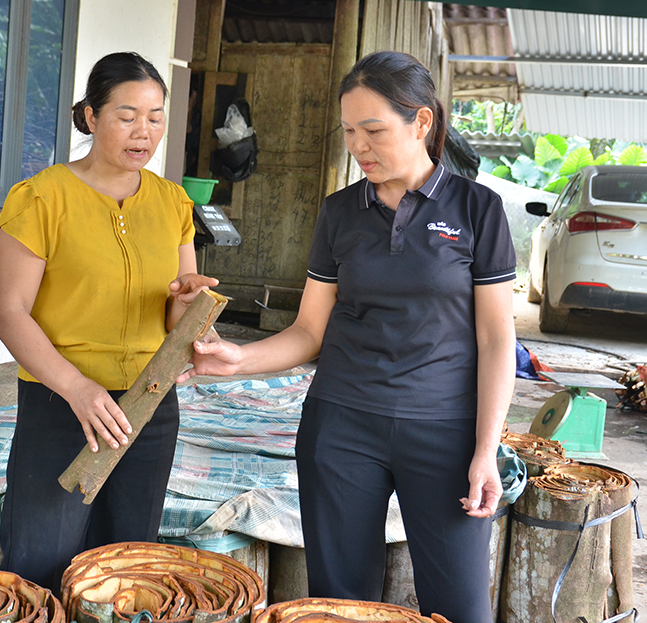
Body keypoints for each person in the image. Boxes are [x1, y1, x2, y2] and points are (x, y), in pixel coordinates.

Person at [178, 50, 516, 623]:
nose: (359, 146)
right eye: (350, 132)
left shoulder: (477, 209)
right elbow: (310, 331)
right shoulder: (339, 213)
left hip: (444, 432)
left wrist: (486, 450)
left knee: (461, 608)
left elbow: (496, 340)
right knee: (340, 605)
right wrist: (237, 359)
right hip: (341, 428)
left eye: (375, 130)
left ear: (422, 123)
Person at [0, 51, 217, 594]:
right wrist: (76, 388)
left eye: (156, 116)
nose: (145, 131)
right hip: (61, 404)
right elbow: (7, 312)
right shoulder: (42, 198)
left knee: (125, 566)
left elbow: (174, 310)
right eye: (127, 115)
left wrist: (190, 311)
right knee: (40, 562)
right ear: (91, 117)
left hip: (149, 406)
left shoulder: (172, 203)